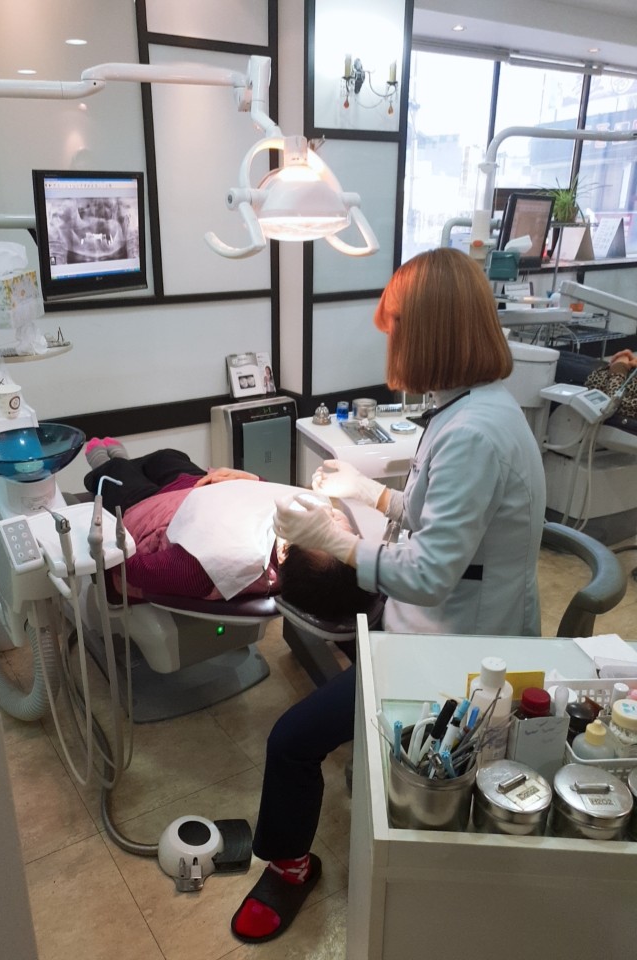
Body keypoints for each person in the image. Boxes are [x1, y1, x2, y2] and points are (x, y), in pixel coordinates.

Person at [229, 247, 547, 944]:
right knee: (337, 594)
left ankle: (289, 867)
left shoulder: (473, 433)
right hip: (435, 621)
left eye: (397, 325)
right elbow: (439, 518)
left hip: (452, 655)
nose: (390, 340)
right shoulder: (471, 410)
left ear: (430, 331)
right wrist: (371, 494)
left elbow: (430, 572)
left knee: (290, 742)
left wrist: (338, 542)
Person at [82, 439, 376, 616]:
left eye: (324, 527)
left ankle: (110, 462)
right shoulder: (295, 522)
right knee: (167, 456)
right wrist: (252, 480)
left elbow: (137, 570)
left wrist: (104, 547)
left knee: (114, 473)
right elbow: (267, 498)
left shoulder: (214, 564)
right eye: (345, 531)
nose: (327, 514)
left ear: (284, 550)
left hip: (152, 512)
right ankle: (124, 463)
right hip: (198, 487)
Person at [584, 348, 637, 419]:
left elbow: (614, 403)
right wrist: (631, 360)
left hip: (593, 383)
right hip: (605, 372)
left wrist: (620, 367)